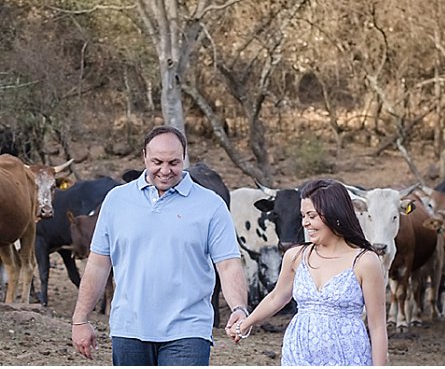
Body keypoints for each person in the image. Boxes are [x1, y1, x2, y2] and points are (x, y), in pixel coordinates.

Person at [71, 125, 249, 366]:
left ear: (184, 158)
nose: (165, 170)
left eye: (174, 163)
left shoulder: (211, 205)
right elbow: (99, 264)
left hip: (188, 331)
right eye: (157, 162)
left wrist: (239, 307)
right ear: (144, 156)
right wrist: (81, 319)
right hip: (129, 328)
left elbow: (228, 265)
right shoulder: (116, 201)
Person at [228, 178, 388, 366]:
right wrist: (245, 325)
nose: (305, 223)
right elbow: (276, 298)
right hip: (298, 354)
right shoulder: (295, 256)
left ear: (334, 214)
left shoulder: (365, 261)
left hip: (348, 356)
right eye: (303, 216)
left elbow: (377, 327)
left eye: (312, 216)